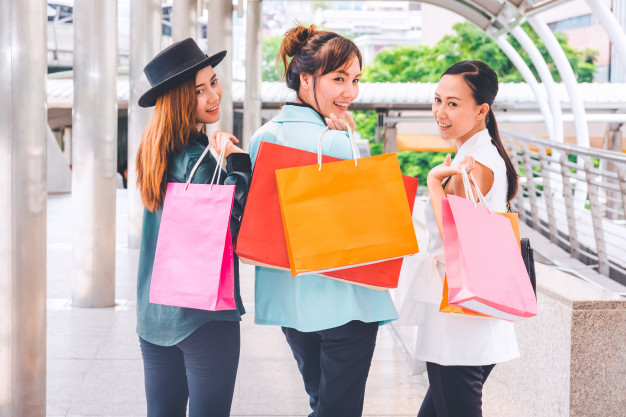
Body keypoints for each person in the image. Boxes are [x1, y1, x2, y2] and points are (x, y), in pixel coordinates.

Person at [247, 25, 398, 417]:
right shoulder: (337, 142)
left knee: (322, 403)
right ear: (305, 78)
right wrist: (349, 143)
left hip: (290, 305)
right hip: (347, 303)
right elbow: (371, 223)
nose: (350, 92)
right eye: (339, 79)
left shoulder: (262, 138)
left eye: (355, 80)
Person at [135, 38, 251, 417]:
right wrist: (238, 163)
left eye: (213, 82)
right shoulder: (199, 161)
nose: (212, 95)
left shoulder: (153, 152)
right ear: (180, 100)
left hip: (153, 316)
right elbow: (236, 226)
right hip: (203, 317)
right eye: (198, 90)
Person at [402, 60, 520, 417]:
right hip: (463, 314)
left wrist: (434, 185)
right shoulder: (474, 155)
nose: (440, 112)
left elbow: (457, 241)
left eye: (453, 103)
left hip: (460, 318)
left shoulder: (477, 164)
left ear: (481, 110)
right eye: (438, 100)